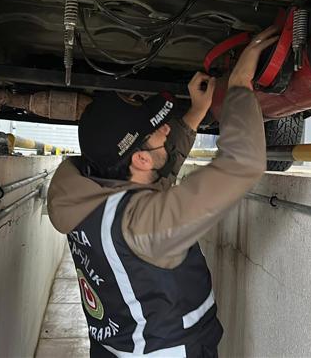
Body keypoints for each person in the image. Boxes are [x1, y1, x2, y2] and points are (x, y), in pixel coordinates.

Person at [47, 26, 280, 357]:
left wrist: (195, 114)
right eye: (158, 131)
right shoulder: (144, 226)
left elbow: (155, 177)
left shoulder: (83, 197)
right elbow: (243, 163)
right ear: (140, 159)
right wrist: (240, 84)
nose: (167, 129)